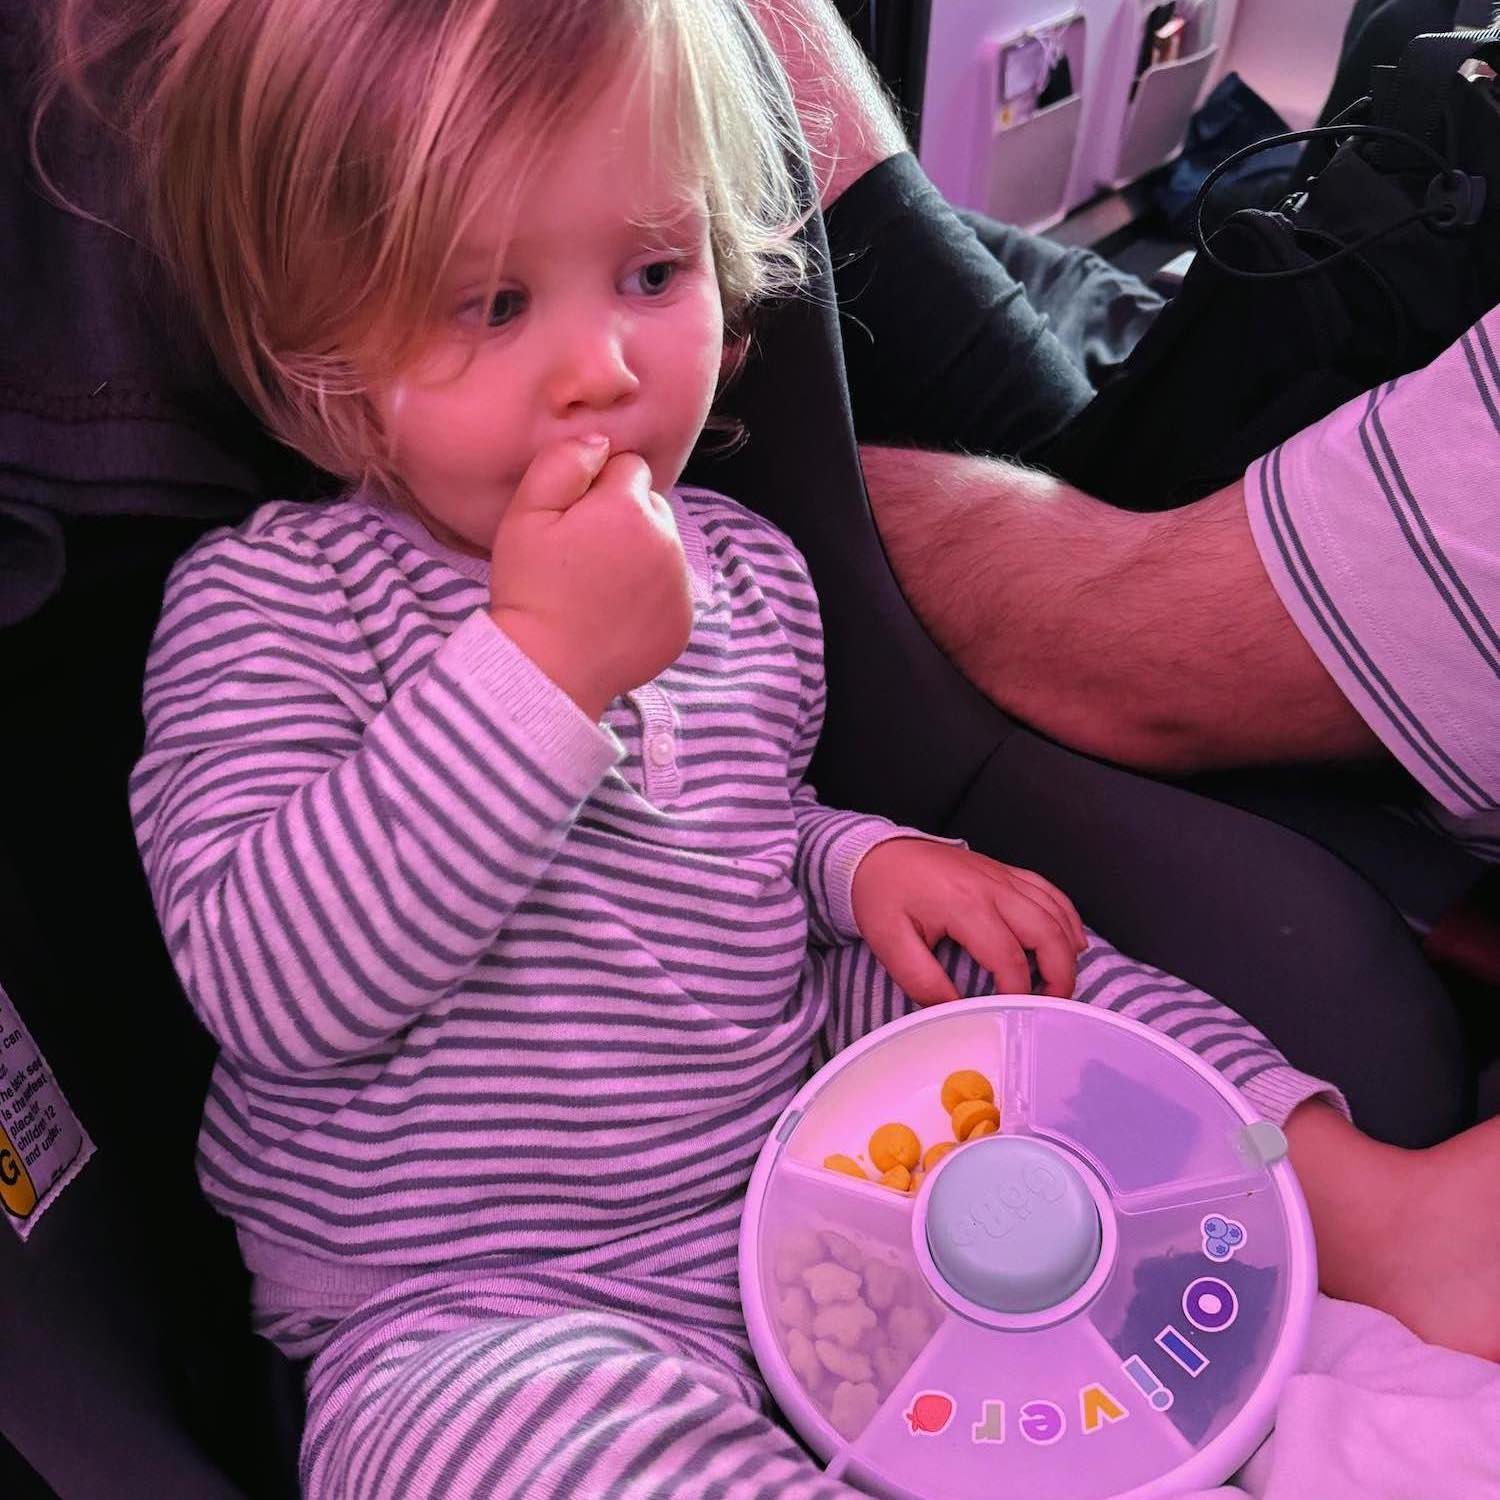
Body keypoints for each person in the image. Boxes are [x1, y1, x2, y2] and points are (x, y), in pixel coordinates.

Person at [34, 3, 1500, 1497]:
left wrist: (855, 860)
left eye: (654, 273)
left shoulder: (743, 572)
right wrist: (539, 670)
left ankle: (1356, 1212)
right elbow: (273, 985)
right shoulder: (276, 602)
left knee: (999, 972)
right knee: (490, 1448)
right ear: (317, 362)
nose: (600, 366)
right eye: (491, 305)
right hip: (479, 1301)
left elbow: (733, 826)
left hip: (810, 1165)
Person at [754, 0, 1500, 871]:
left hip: (1142, 589)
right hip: (1243, 441)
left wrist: (772, 472)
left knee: (759, 39)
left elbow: (1118, 653)